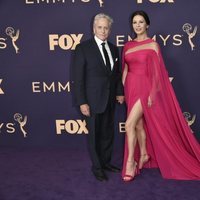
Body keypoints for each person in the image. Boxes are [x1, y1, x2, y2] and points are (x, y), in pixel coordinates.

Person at [122, 10, 200, 181]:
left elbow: (158, 74)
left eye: (141, 22)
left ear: (147, 24)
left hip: (144, 88)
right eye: (135, 22)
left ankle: (130, 163)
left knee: (129, 124)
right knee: (138, 125)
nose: (137, 25)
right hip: (131, 88)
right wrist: (123, 89)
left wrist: (151, 93)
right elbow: (126, 69)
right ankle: (143, 154)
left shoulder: (153, 45)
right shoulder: (127, 45)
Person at [72, 13, 124, 181]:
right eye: (100, 27)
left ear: (110, 30)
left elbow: (116, 75)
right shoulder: (83, 48)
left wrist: (119, 92)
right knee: (94, 135)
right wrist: (82, 102)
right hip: (92, 102)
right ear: (94, 28)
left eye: (106, 27)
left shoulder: (114, 48)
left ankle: (106, 162)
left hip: (109, 100)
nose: (103, 30)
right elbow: (78, 78)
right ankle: (97, 167)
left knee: (108, 133)